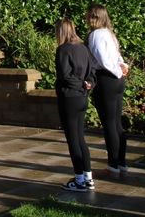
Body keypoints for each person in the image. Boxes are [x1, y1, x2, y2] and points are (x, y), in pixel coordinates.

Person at [86, 4, 129, 176]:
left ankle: (113, 164)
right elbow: (117, 56)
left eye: (89, 16)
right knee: (116, 123)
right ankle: (122, 163)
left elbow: (103, 60)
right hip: (117, 80)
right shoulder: (110, 34)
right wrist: (122, 67)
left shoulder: (96, 35)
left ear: (95, 17)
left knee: (109, 123)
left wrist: (117, 69)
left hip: (106, 79)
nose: (86, 19)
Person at [54, 18, 96, 192]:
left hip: (70, 98)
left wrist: (79, 85)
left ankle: (79, 180)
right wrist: (88, 84)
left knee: (73, 140)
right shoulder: (83, 48)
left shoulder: (63, 50)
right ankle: (88, 178)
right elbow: (93, 72)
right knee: (80, 139)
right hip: (82, 98)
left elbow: (64, 75)